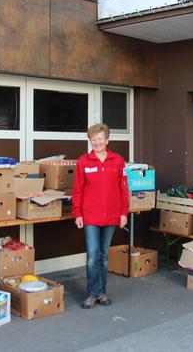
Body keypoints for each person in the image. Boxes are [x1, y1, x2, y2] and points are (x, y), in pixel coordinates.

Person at [72, 123, 129, 309]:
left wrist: (123, 213)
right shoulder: (83, 161)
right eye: (93, 139)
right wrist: (77, 213)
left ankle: (102, 292)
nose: (96, 142)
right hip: (90, 216)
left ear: (107, 140)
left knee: (104, 256)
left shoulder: (118, 161)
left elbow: (123, 188)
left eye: (99, 139)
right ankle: (92, 294)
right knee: (92, 255)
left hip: (112, 215)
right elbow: (78, 189)